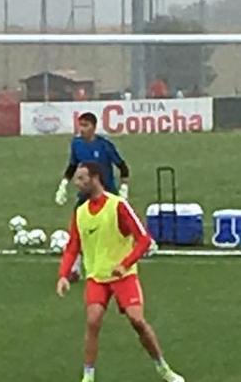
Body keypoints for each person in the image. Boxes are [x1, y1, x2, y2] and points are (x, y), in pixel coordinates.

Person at [56, 162, 185, 382]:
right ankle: (88, 376)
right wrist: (63, 275)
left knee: (137, 321)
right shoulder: (80, 213)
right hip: (97, 277)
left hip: (123, 276)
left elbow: (144, 240)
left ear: (95, 178)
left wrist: (125, 264)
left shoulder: (118, 206)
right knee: (93, 320)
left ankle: (163, 368)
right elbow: (72, 246)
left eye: (81, 179)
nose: (77, 184)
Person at [55, 112, 131, 280]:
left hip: (107, 195)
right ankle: (74, 268)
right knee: (78, 228)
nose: (82, 129)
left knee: (114, 230)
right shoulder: (76, 144)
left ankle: (122, 262)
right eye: (80, 125)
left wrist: (124, 189)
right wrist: (63, 185)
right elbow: (73, 165)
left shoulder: (105, 146)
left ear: (94, 127)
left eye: (86, 126)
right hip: (85, 194)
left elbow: (123, 167)